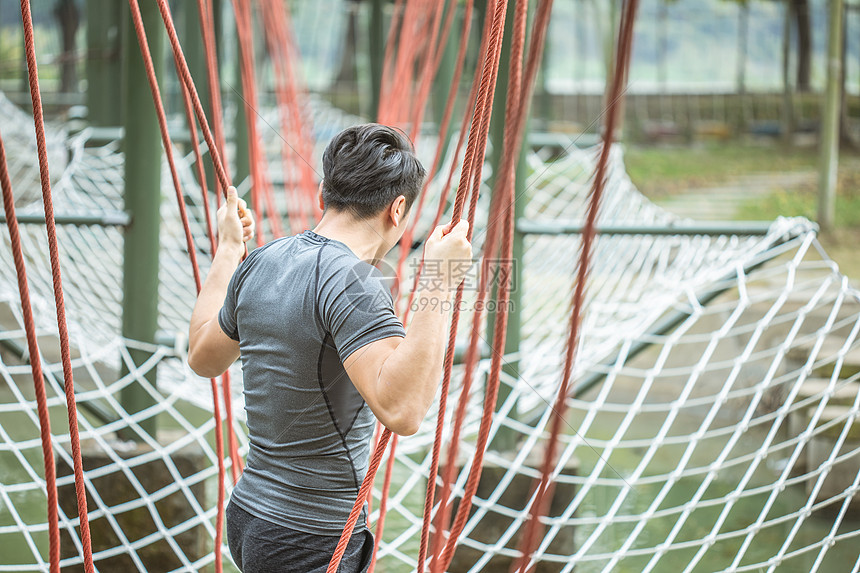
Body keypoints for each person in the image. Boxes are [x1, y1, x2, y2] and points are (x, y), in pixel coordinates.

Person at [187, 123, 472, 572]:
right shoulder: (353, 281)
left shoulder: (262, 260)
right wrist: (438, 281)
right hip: (310, 539)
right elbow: (403, 410)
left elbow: (203, 358)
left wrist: (228, 249)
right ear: (397, 210)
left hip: (249, 519)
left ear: (324, 194)